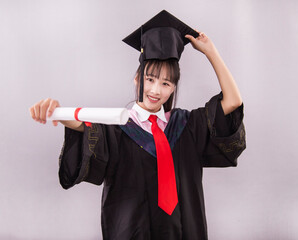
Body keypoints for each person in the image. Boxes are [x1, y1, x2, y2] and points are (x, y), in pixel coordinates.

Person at [29, 10, 246, 240]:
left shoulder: (188, 126)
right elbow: (83, 126)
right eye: (150, 79)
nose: (155, 90)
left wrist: (211, 53)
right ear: (137, 78)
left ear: (173, 87)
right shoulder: (117, 128)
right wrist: (58, 113)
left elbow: (232, 102)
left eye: (166, 83)